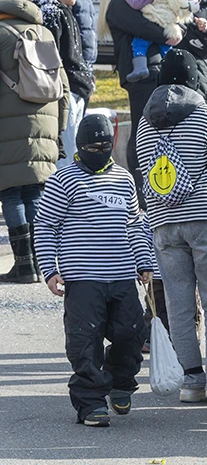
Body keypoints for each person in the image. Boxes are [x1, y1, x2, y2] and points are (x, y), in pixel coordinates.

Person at [33, 114, 154, 427]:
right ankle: (90, 403)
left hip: (122, 274)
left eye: (104, 146)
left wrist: (144, 262)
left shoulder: (124, 179)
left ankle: (119, 381)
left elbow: (134, 225)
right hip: (82, 277)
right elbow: (45, 225)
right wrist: (49, 270)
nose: (98, 151)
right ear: (79, 147)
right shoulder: (63, 180)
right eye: (91, 147)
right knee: (84, 342)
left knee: (133, 334)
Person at [135, 81, 207, 403]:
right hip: (205, 217)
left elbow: (143, 166)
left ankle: (191, 380)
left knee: (178, 304)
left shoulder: (143, 123)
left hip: (163, 224)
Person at [0, 0, 70, 284]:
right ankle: (42, 263)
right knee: (33, 192)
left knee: (10, 191)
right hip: (47, 123)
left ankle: (24, 266)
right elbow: (63, 87)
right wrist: (59, 131)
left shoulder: (1, 34)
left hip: (8, 126)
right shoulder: (45, 32)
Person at [101, 0, 174, 192]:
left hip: (147, 72)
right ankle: (140, 189)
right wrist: (170, 33)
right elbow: (149, 29)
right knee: (144, 130)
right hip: (141, 74)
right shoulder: (121, 1)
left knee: (150, 129)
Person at [33, 0, 92, 167]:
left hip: (73, 89)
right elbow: (51, 58)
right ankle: (65, 195)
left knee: (71, 149)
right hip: (65, 92)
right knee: (66, 154)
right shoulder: (51, 12)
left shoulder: (61, 10)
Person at [123, 0, 193, 83]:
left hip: (155, 20)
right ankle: (172, 70)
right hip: (167, 24)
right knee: (166, 48)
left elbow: (136, 4)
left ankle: (140, 68)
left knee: (139, 44)